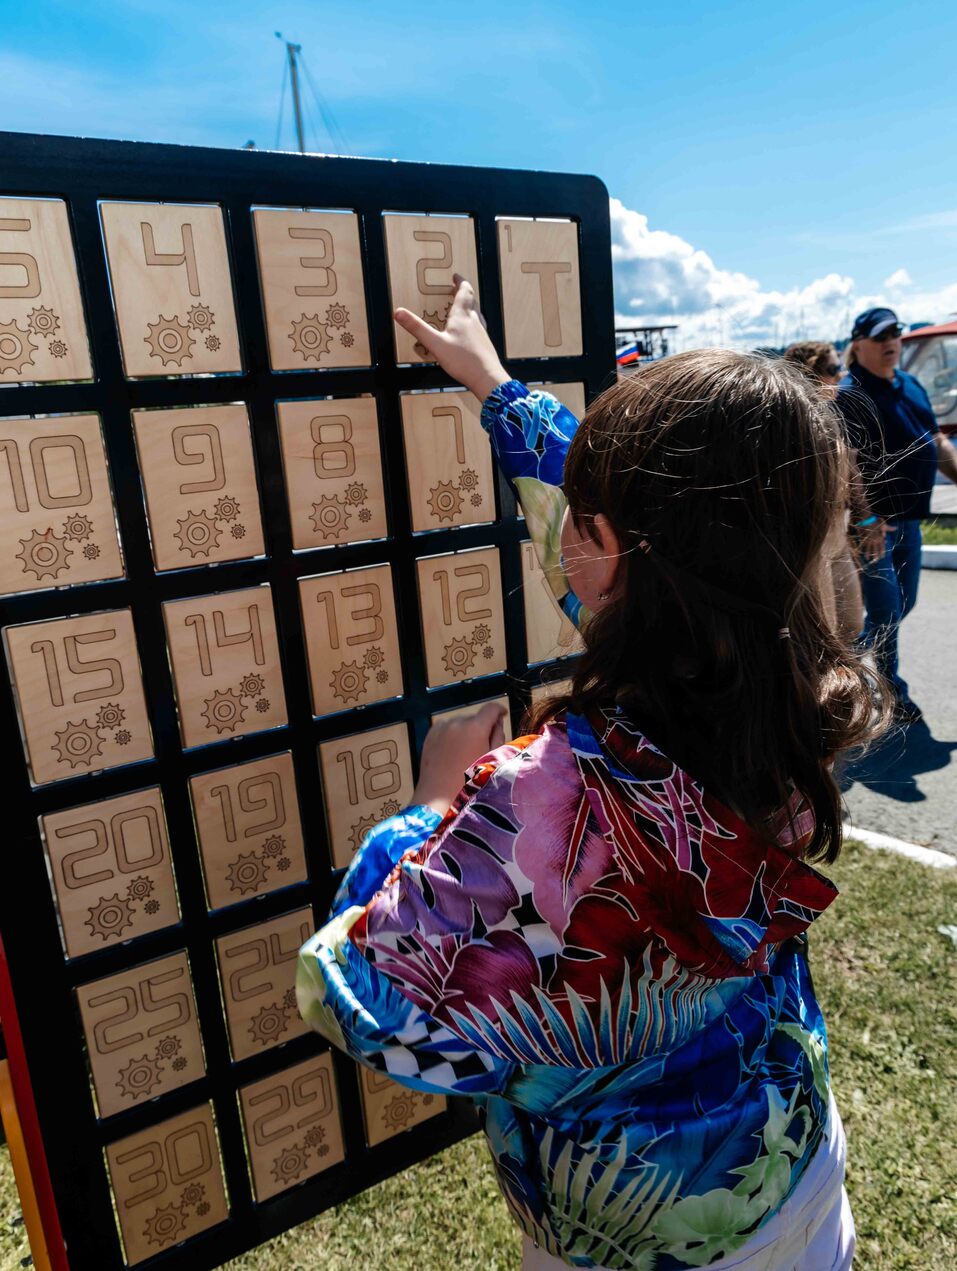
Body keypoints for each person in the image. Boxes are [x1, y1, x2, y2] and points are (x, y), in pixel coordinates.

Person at [298, 279, 886, 1270]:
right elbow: (636, 551)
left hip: (629, 1243)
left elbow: (356, 990)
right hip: (788, 1174)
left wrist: (433, 806)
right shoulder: (794, 682)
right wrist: (494, 386)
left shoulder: (538, 800)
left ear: (614, 547)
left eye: (587, 513)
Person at [836, 307, 957, 722]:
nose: (891, 342)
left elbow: (936, 440)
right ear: (858, 345)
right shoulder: (851, 393)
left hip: (909, 520)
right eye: (880, 336)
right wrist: (865, 519)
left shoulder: (911, 385)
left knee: (904, 606)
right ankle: (890, 695)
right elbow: (846, 460)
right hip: (873, 527)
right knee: (887, 611)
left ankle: (834, 665)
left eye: (896, 334)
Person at [783, 342, 864, 640]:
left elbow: (852, 472)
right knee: (826, 634)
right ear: (810, 372)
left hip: (839, 535)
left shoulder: (833, 414)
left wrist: (864, 520)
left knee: (852, 624)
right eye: (833, 370)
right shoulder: (794, 422)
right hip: (813, 543)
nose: (840, 375)